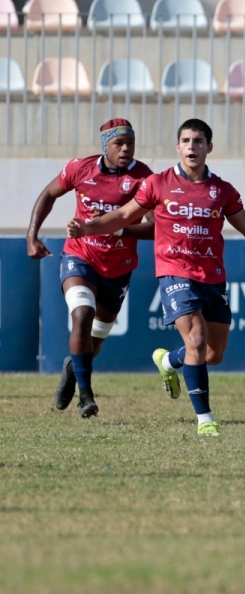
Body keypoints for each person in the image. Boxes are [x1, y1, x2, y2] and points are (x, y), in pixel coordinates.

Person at [68, 119, 245, 436]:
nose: (191, 146)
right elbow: (121, 216)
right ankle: (205, 420)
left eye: (198, 141)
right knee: (196, 339)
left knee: (213, 354)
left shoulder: (222, 191)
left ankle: (170, 361)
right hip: (174, 272)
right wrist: (87, 226)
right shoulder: (157, 183)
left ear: (208, 148)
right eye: (185, 140)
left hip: (211, 277)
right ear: (178, 147)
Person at [26, 119, 154, 418]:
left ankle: (73, 369)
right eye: (118, 144)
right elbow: (48, 194)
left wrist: (118, 225)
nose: (125, 149)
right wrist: (32, 236)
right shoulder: (79, 168)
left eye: (130, 143)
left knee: (94, 342)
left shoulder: (144, 178)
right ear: (105, 146)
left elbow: (157, 225)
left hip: (118, 267)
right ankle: (86, 396)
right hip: (80, 256)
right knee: (82, 315)